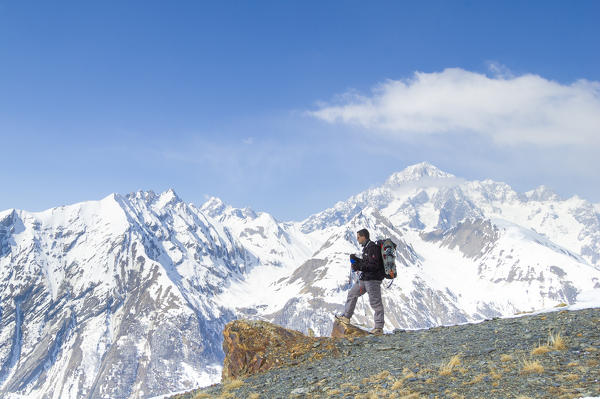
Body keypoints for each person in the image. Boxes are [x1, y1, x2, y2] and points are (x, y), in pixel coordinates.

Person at [336, 228, 385, 335]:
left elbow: (374, 265)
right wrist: (357, 261)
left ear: (364, 237)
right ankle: (346, 317)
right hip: (364, 279)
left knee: (376, 303)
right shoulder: (367, 248)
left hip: (372, 280)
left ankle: (379, 328)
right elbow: (367, 262)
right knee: (352, 294)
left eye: (358, 237)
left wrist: (359, 266)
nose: (357, 239)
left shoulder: (372, 248)